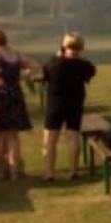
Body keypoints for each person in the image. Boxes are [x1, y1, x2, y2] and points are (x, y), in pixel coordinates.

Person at [0, 27, 41, 180]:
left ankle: (1, 172)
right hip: (15, 93)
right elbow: (36, 66)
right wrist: (22, 77)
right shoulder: (15, 53)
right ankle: (14, 173)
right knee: (13, 136)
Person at [41, 32, 96, 181]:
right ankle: (73, 171)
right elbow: (91, 72)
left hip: (55, 103)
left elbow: (44, 74)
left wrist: (58, 55)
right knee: (73, 137)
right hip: (75, 102)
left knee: (51, 139)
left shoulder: (53, 62)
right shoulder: (83, 65)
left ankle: (49, 173)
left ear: (63, 46)